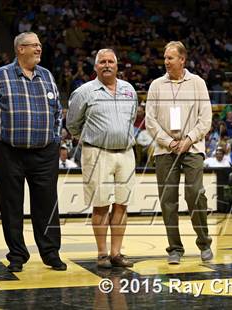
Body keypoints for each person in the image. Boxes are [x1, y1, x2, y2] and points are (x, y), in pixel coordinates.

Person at [0, 32, 66, 272]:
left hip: (45, 153)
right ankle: (17, 254)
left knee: (47, 205)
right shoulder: (1, 76)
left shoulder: (46, 76)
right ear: (19, 49)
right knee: (11, 205)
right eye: (33, 45)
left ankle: (50, 253)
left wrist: (56, 140)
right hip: (9, 152)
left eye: (39, 45)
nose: (38, 49)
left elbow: (58, 112)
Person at [67, 48, 137, 268]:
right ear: (95, 66)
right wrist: (92, 139)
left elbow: (132, 118)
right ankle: (102, 254)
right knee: (100, 205)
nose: (107, 65)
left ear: (117, 65)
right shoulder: (84, 92)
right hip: (97, 153)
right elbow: (72, 125)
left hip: (126, 153)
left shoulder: (129, 90)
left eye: (111, 61)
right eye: (102, 62)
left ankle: (116, 253)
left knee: (121, 205)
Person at [146, 41, 213, 264]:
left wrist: (188, 140)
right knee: (168, 200)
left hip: (192, 148)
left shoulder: (198, 83)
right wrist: (168, 142)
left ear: (182, 60)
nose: (166, 62)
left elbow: (206, 119)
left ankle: (204, 242)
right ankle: (174, 248)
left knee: (194, 193)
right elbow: (150, 120)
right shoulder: (156, 85)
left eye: (170, 58)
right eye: (165, 58)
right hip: (165, 150)